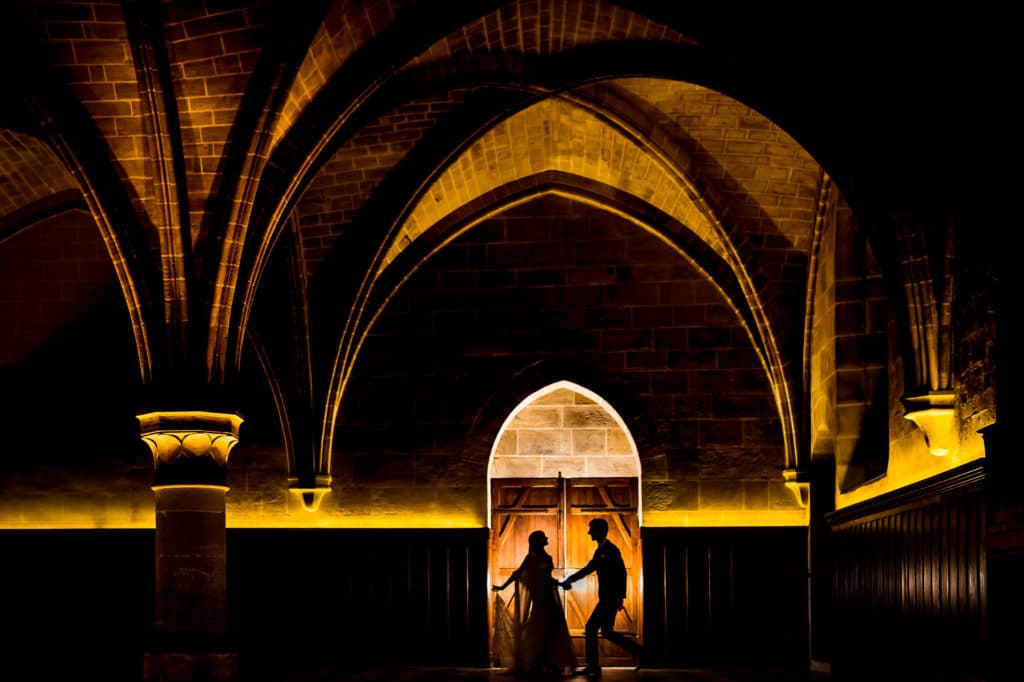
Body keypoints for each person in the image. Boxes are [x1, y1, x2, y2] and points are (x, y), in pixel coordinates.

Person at [559, 518, 640, 678]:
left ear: (600, 530)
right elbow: (589, 568)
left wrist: (620, 597)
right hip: (606, 597)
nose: (589, 532)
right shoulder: (600, 551)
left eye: (592, 529)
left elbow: (621, 573)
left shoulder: (611, 550)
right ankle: (640, 653)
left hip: (610, 598)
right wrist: (570, 579)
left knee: (591, 628)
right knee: (607, 632)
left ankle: (593, 666)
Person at [493, 529, 577, 677]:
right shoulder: (531, 557)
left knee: (555, 627)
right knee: (539, 627)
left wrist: (560, 585)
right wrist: (502, 587)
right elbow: (517, 574)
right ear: (537, 541)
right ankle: (538, 662)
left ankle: (553, 662)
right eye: (544, 537)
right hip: (540, 598)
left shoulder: (548, 558)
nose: (546, 538)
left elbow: (547, 578)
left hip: (551, 596)